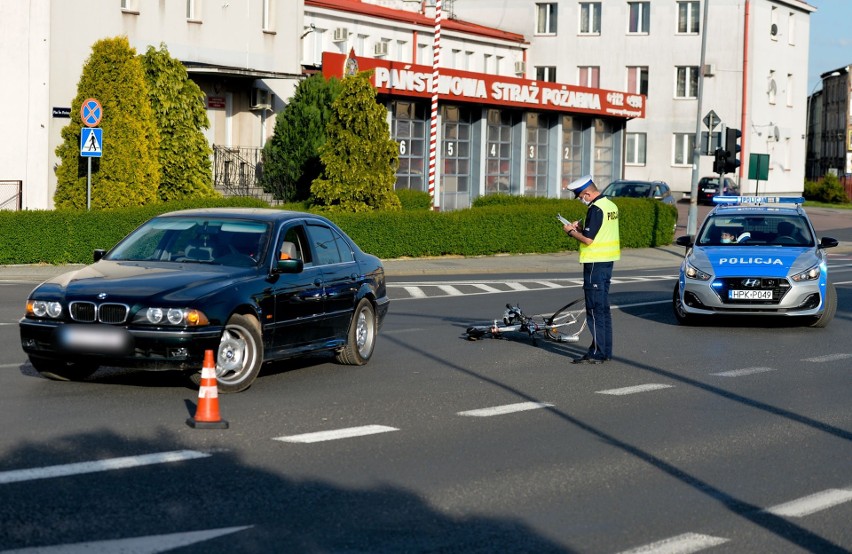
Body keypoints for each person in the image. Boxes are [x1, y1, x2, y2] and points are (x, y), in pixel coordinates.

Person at [563, 175, 620, 364]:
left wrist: (571, 231)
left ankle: (597, 352)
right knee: (603, 309)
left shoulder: (595, 209)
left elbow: (588, 239)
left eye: (580, 196)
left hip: (595, 263)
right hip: (607, 262)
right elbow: (601, 231)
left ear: (588, 193)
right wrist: (583, 227)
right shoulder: (610, 206)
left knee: (595, 310)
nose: (581, 200)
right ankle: (605, 351)